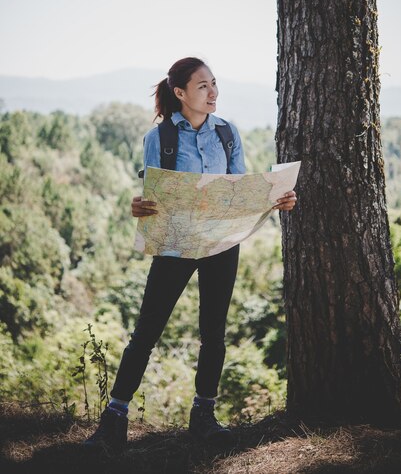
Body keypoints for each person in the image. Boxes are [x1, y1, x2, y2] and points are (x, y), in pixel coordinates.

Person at [84, 57, 297, 453]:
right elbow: (153, 194)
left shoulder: (228, 133)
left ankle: (204, 419)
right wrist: (139, 206)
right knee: (146, 332)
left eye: (214, 84)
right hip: (175, 246)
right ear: (180, 93)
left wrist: (277, 199)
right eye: (203, 86)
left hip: (221, 245)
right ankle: (113, 421)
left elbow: (242, 190)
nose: (213, 92)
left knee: (213, 334)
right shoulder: (161, 138)